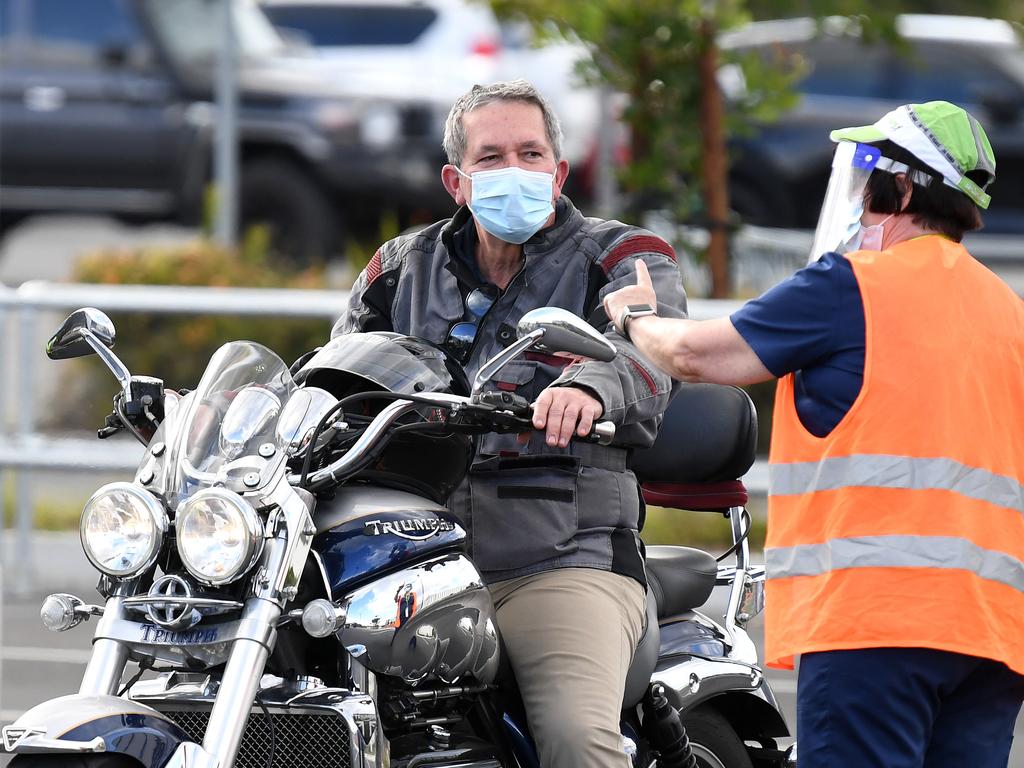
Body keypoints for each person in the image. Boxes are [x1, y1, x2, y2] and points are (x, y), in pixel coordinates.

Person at [603, 100, 1024, 767]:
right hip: (995, 636)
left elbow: (698, 356)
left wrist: (635, 318)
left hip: (876, 623)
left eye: (867, 178)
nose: (859, 196)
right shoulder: (1007, 310)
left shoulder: (851, 286)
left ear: (904, 186)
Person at [332, 79, 688, 767]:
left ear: (558, 172)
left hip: (556, 557)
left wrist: (590, 384)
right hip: (408, 558)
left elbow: (654, 350)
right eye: (491, 157)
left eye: (531, 153)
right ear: (456, 182)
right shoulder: (399, 269)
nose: (514, 170)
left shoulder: (621, 257)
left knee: (577, 743)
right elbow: (333, 372)